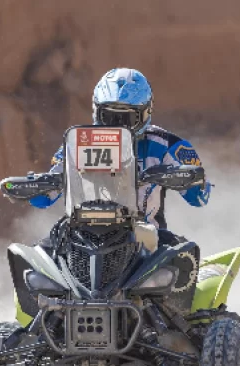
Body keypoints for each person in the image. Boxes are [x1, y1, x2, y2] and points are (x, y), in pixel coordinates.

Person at [28, 67, 211, 248]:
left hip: (145, 239)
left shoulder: (166, 145)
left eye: (126, 118)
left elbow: (200, 198)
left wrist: (188, 178)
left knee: (184, 252)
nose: (118, 127)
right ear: (96, 111)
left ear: (146, 113)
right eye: (110, 116)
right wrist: (37, 184)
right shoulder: (78, 143)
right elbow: (43, 199)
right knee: (37, 256)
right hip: (81, 236)